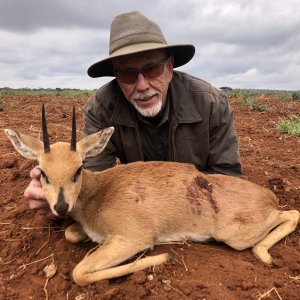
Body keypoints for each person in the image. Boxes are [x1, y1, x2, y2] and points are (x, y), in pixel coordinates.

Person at [24, 11, 243, 219]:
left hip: (196, 205)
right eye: (128, 74)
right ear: (116, 77)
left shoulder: (210, 102)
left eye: (152, 69)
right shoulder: (101, 109)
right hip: (139, 207)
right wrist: (58, 195)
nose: (142, 85)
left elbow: (228, 180)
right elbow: (93, 182)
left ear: (169, 67)